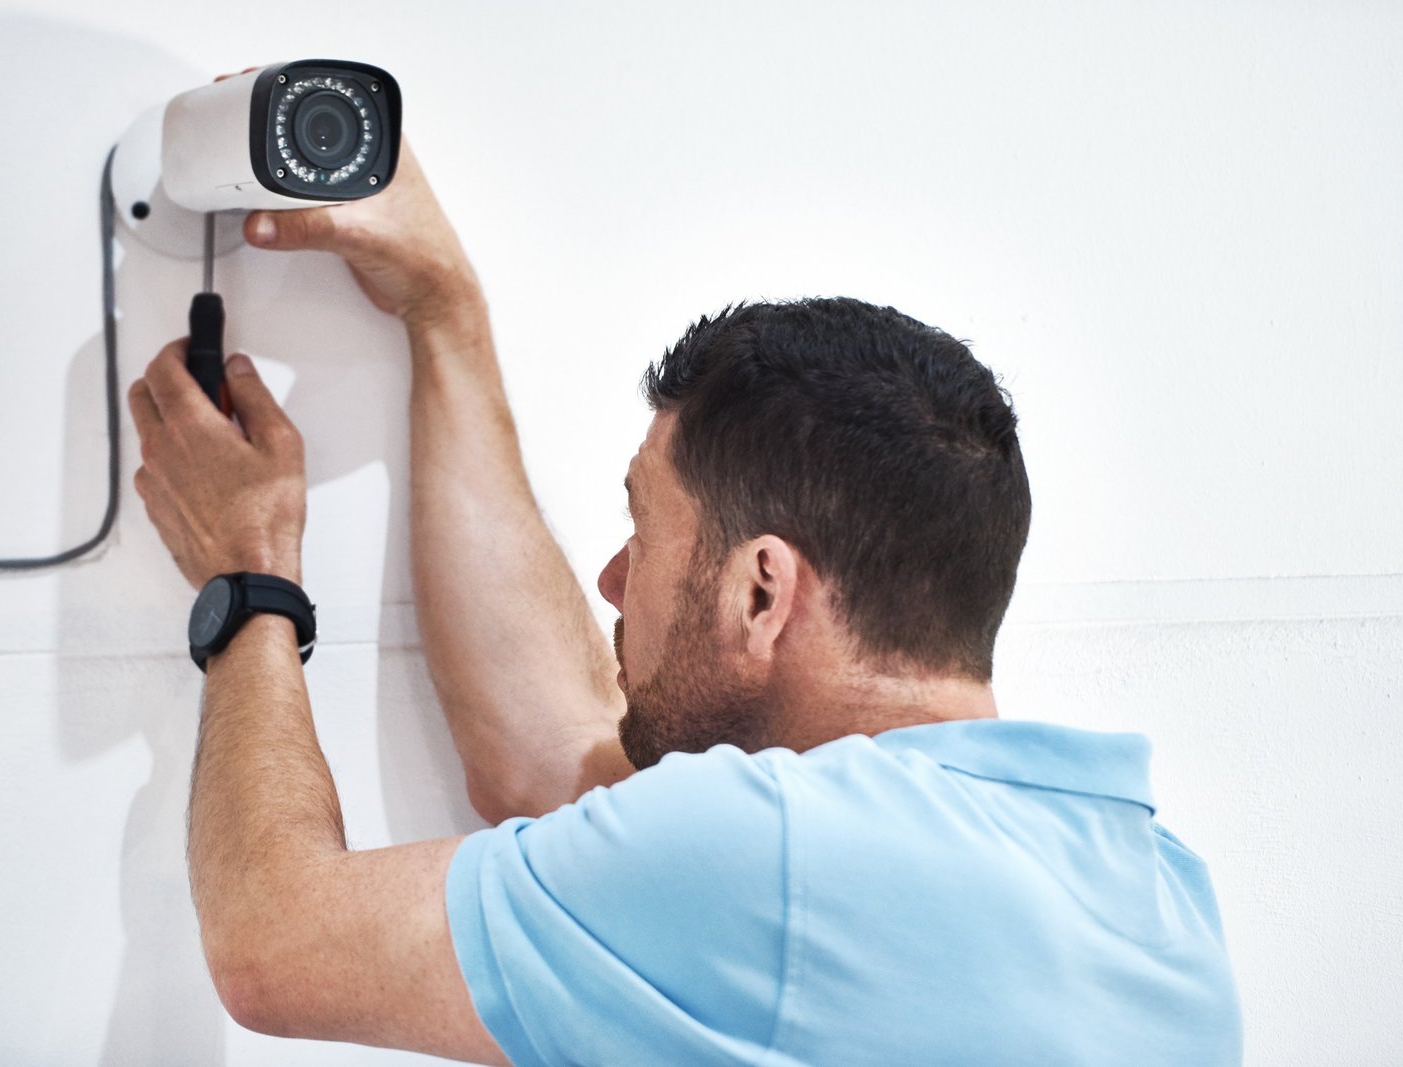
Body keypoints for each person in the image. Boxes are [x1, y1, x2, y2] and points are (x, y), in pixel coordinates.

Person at [128, 131, 1242, 1065]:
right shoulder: (1145, 882)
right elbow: (553, 761)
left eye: (642, 532)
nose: (613, 577)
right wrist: (444, 315)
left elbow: (272, 943)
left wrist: (250, 571)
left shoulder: (775, 854)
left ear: (763, 590)